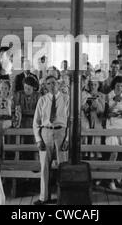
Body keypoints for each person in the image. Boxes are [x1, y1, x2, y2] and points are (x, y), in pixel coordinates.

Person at [33, 76, 69, 205]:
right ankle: (44, 197)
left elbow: (71, 121)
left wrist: (67, 138)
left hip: (61, 132)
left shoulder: (66, 99)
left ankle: (63, 197)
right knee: (44, 167)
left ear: (58, 84)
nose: (52, 86)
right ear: (46, 86)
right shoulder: (42, 100)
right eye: (48, 84)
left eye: (54, 83)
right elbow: (36, 121)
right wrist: (38, 139)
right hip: (46, 132)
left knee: (62, 166)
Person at [105, 75, 122, 190]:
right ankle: (110, 179)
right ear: (114, 85)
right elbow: (107, 114)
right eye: (117, 86)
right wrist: (116, 105)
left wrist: (121, 114)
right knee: (114, 152)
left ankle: (118, 175)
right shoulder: (108, 96)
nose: (120, 88)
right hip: (111, 128)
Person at [14, 76, 40, 159]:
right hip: (22, 120)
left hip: (34, 120)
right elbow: (16, 107)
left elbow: (39, 110)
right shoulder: (19, 94)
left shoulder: (38, 95)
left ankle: (34, 157)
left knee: (34, 138)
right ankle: (21, 156)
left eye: (29, 88)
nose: (26, 90)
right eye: (25, 88)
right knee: (22, 138)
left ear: (34, 88)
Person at [81, 76, 106, 159]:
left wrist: (97, 105)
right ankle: (86, 156)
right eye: (91, 84)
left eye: (95, 84)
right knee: (87, 138)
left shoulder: (101, 95)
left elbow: (103, 110)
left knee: (96, 139)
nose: (93, 86)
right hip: (87, 118)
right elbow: (84, 107)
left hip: (97, 119)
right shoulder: (86, 94)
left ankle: (96, 158)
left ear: (98, 85)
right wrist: (88, 107)